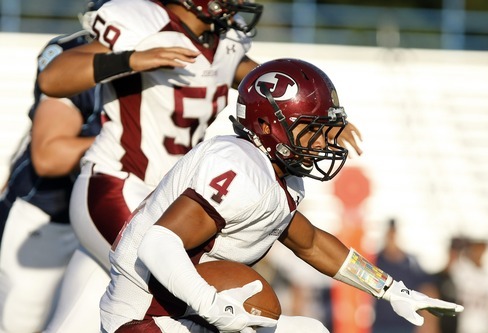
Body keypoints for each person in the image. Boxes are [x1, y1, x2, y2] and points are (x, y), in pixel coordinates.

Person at [37, 0, 364, 332]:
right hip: (121, 183)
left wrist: (318, 118)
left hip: (173, 193)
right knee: (206, 297)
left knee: (86, 313)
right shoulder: (147, 26)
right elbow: (51, 79)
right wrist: (130, 59)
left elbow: (270, 88)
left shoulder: (222, 43)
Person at [98, 58, 463, 333]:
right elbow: (158, 243)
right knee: (268, 305)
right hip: (147, 317)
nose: (322, 142)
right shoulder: (238, 164)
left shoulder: (274, 174)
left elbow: (312, 243)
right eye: (311, 129)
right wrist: (215, 309)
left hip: (180, 309)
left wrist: (388, 288)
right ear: (265, 125)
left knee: (313, 330)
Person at [0, 1, 106, 330]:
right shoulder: (74, 54)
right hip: (48, 216)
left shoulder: (178, 62)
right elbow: (49, 156)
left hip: (112, 223)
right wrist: (123, 144)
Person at [371, 219, 441, 333]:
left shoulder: (412, 263)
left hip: (407, 326)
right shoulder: (376, 261)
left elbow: (428, 289)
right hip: (380, 325)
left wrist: (429, 323)